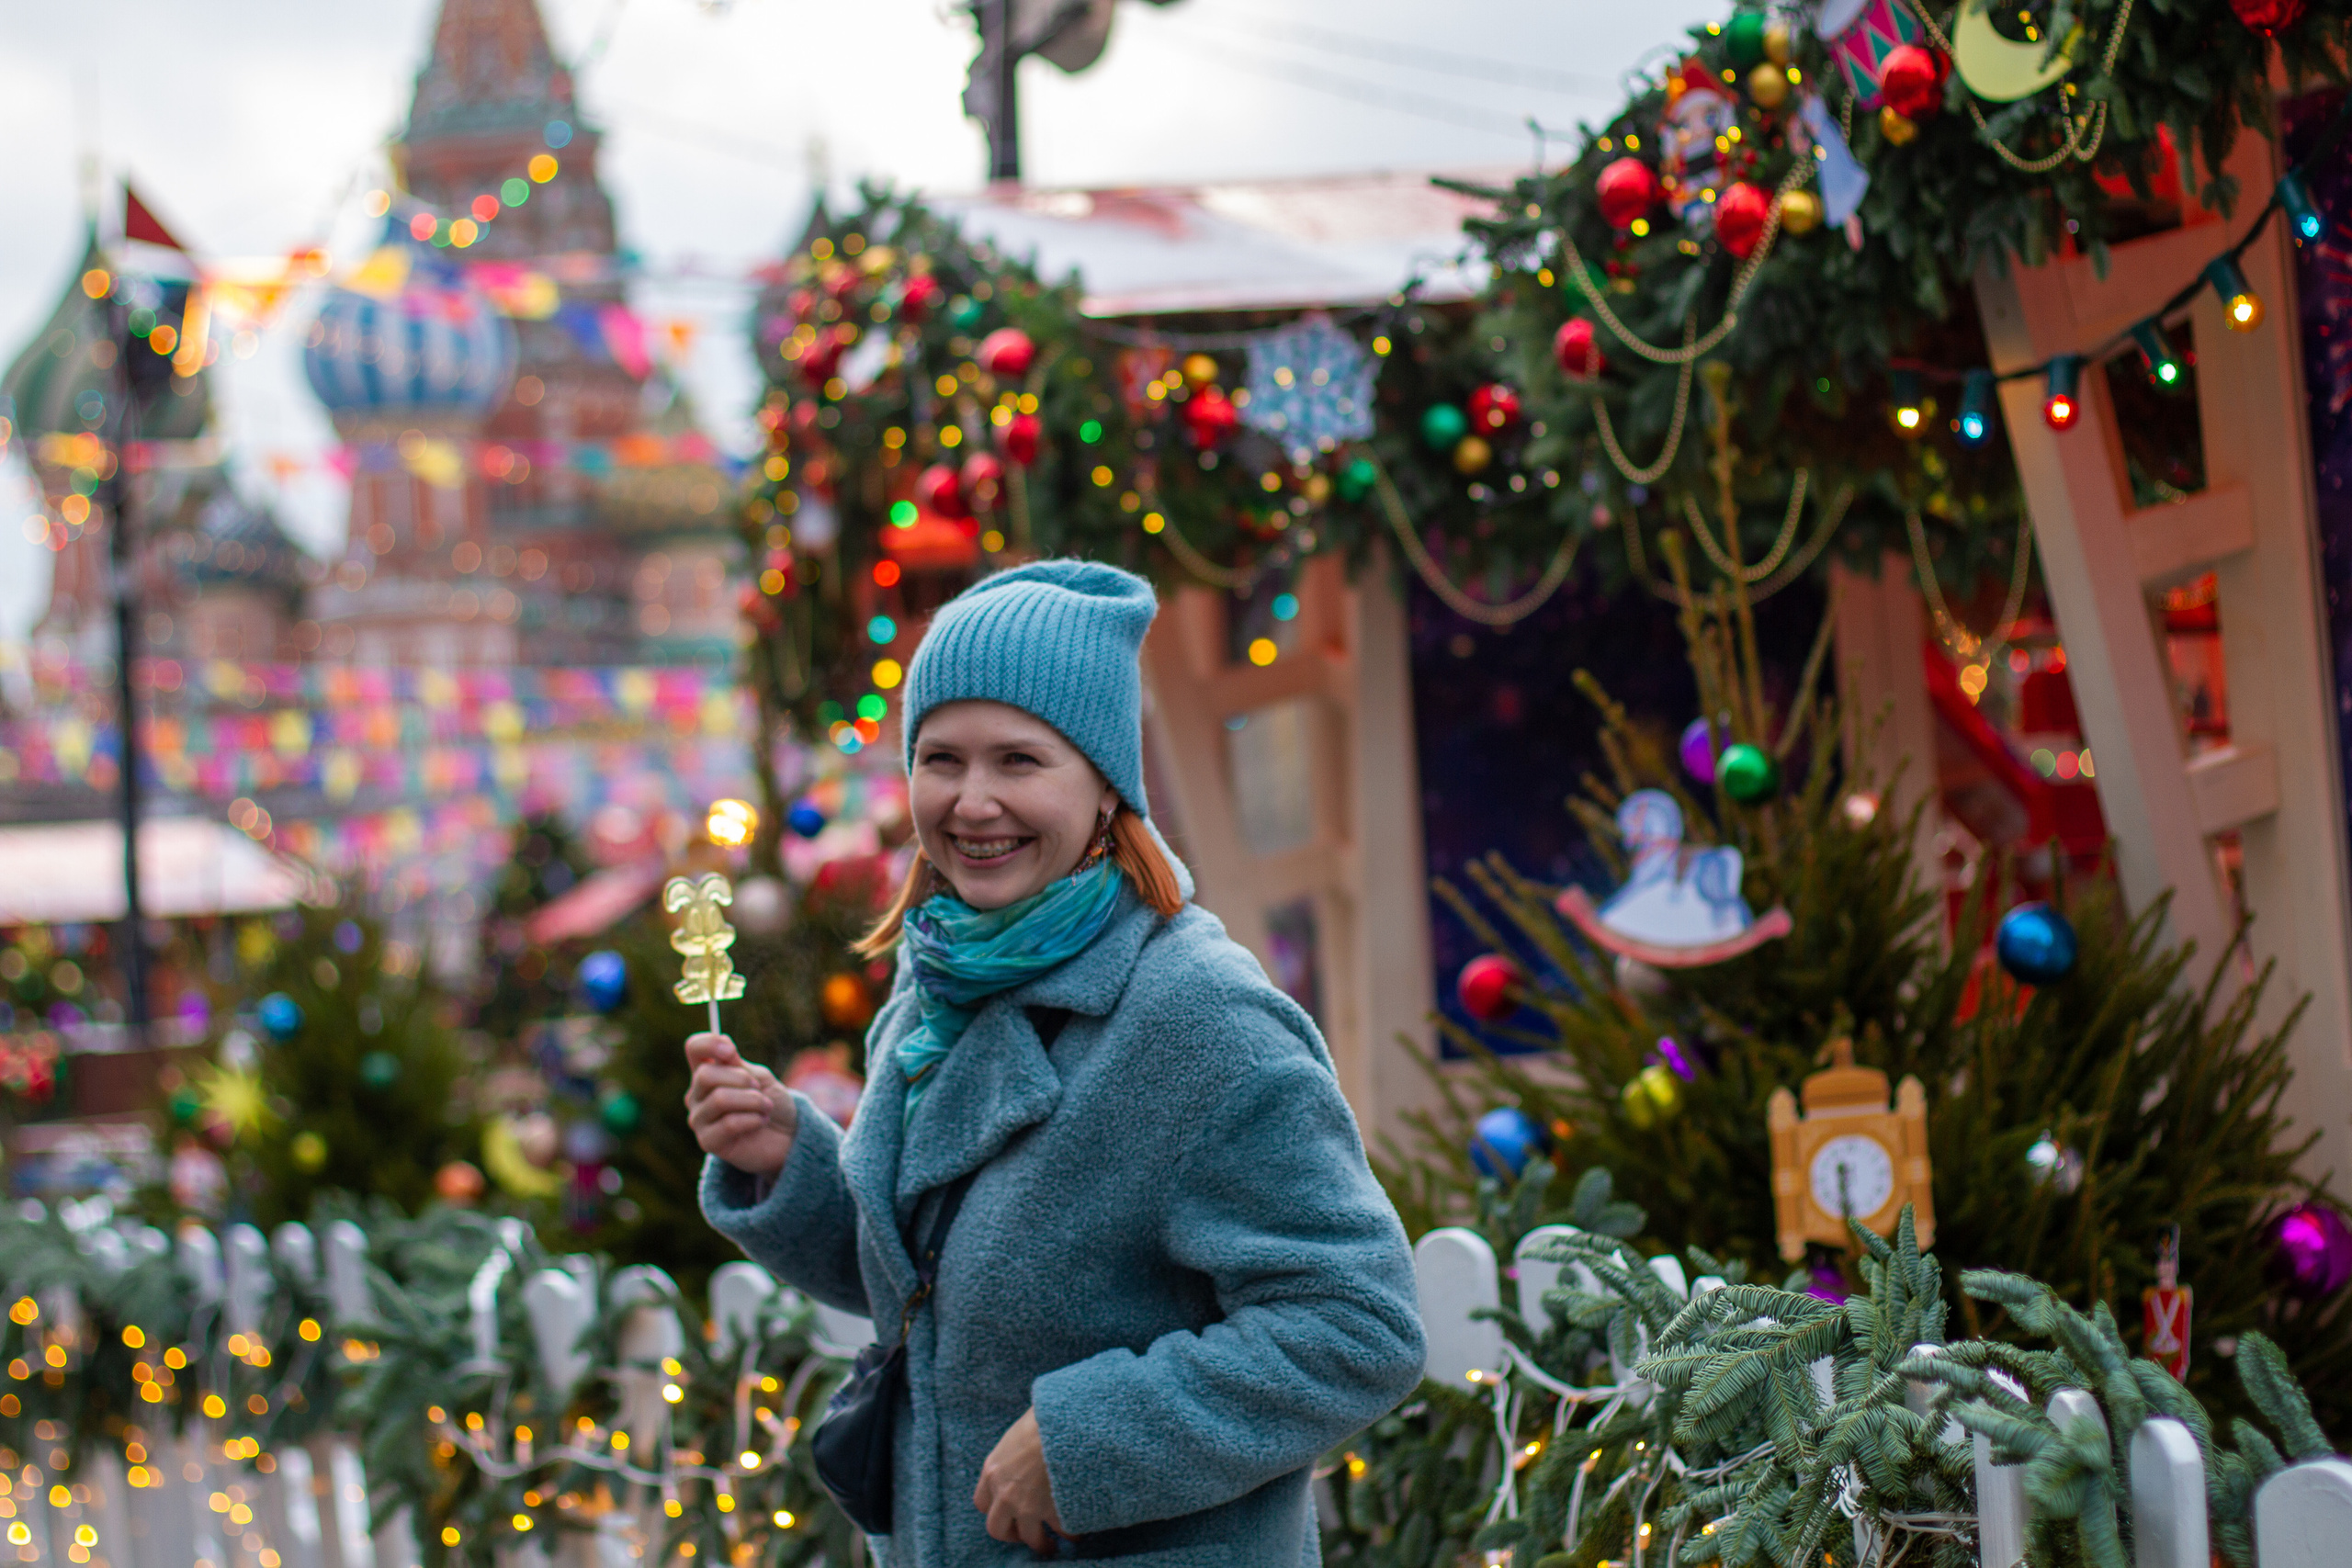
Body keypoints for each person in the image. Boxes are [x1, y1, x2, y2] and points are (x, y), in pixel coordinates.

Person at [688, 558, 1424, 1565]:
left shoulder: (1199, 1018)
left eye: (1019, 761)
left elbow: (1357, 1325)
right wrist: (790, 1163)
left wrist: (1089, 1441)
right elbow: (936, 1297)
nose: (972, 801)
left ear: (1106, 784)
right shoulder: (935, 989)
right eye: (941, 758)